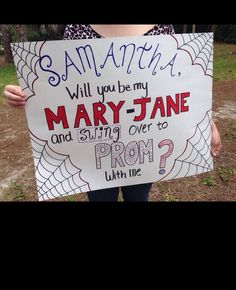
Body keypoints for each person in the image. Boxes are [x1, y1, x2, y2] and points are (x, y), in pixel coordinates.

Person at [3, 24, 222, 202]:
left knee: (138, 198)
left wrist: (208, 123)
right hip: (94, 151)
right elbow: (62, 83)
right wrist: (29, 94)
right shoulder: (77, 27)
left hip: (145, 147)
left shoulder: (162, 28)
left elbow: (179, 86)